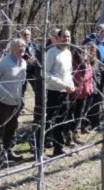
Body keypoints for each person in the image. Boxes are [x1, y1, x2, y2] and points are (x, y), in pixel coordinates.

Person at [0, 38, 27, 167]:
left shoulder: (24, 63)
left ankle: (8, 151)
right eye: (19, 46)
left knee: (12, 128)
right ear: (12, 48)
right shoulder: (4, 62)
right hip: (3, 101)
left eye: (24, 46)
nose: (22, 48)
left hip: (16, 102)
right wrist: (2, 92)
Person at [44, 29, 76, 157]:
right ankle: (44, 145)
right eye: (64, 37)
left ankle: (58, 148)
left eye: (68, 37)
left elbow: (68, 73)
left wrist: (72, 86)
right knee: (51, 120)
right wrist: (63, 85)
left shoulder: (68, 52)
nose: (67, 39)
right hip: (54, 91)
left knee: (62, 121)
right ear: (58, 38)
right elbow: (45, 74)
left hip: (66, 92)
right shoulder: (51, 52)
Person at [20, 28, 43, 124]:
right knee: (21, 89)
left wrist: (35, 59)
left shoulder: (34, 45)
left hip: (33, 70)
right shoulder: (18, 45)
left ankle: (38, 107)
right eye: (24, 34)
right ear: (21, 35)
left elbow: (39, 54)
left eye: (28, 34)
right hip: (22, 70)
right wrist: (26, 60)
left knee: (37, 89)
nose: (26, 36)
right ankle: (21, 107)